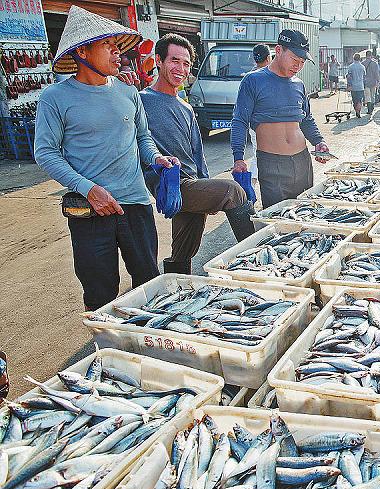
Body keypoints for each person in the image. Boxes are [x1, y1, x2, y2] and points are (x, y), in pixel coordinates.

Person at [34, 5, 178, 310]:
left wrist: (156, 159)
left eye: (117, 46)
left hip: (135, 204)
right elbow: (45, 153)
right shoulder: (55, 98)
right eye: (107, 46)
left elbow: (142, 138)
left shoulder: (128, 93)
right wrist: (88, 188)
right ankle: (106, 352)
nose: (117, 54)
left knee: (149, 284)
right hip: (90, 209)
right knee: (100, 292)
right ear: (83, 52)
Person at [140, 34, 255, 275]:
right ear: (158, 60)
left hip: (191, 183)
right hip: (169, 184)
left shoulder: (186, 107)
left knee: (184, 249)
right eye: (174, 61)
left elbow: (197, 153)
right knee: (232, 192)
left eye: (186, 63)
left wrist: (206, 186)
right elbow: (137, 141)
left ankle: (174, 288)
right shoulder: (140, 101)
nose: (180, 69)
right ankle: (257, 257)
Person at [230, 29, 329, 209]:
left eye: (302, 62)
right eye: (294, 59)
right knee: (277, 220)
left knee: (306, 214)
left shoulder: (299, 84)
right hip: (272, 164)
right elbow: (240, 120)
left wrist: (318, 141)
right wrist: (238, 157)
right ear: (278, 50)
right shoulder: (253, 81)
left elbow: (306, 119)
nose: (298, 66)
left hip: (302, 162)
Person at [347, 53, 366, 118]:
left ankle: (356, 111)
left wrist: (349, 85)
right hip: (361, 86)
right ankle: (359, 112)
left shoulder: (350, 67)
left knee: (354, 100)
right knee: (359, 100)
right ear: (360, 58)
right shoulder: (362, 67)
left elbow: (349, 77)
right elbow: (364, 77)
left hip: (353, 86)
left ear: (353, 58)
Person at [362, 50, 380, 115]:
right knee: (373, 96)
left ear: (366, 55)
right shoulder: (375, 63)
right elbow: (377, 74)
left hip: (366, 82)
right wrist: (378, 81)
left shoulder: (363, 63)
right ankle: (372, 108)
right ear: (371, 55)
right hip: (373, 82)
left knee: (367, 96)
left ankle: (369, 109)